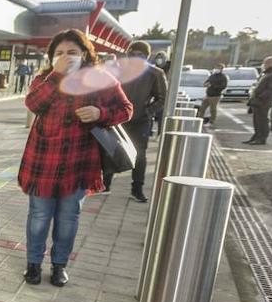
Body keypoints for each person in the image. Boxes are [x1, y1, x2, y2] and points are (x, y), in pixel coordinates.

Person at [20, 30, 133, 288]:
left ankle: (60, 266)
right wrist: (57, 75)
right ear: (51, 57)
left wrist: (100, 112)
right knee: (38, 215)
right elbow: (33, 104)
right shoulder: (45, 78)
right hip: (43, 160)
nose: (66, 57)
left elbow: (126, 109)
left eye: (72, 52)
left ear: (85, 54)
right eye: (59, 53)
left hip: (80, 161)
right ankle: (33, 264)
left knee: (69, 217)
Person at [102, 41, 167, 202]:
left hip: (140, 120)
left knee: (140, 156)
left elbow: (162, 98)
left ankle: (137, 188)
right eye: (133, 54)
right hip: (117, 118)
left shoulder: (155, 73)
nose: (136, 58)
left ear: (147, 56)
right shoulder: (118, 70)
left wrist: (147, 111)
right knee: (111, 150)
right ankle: (105, 184)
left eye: (141, 55)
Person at [246, 56, 272, 145]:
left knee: (262, 120)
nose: (264, 65)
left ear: (271, 64)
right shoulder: (266, 73)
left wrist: (260, 98)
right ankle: (256, 136)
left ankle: (261, 138)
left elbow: (271, 89)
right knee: (257, 120)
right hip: (257, 100)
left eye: (266, 63)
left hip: (263, 101)